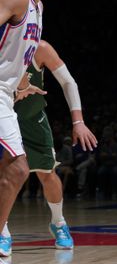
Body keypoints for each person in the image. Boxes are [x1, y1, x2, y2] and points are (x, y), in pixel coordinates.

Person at [0, 0, 63, 264]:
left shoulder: (38, 8)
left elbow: (15, 53)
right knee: (19, 167)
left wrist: (22, 82)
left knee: (10, 169)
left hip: (7, 94)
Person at [10, 40, 97, 252]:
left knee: (47, 173)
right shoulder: (5, 47)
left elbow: (68, 82)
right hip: (5, 118)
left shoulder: (40, 48)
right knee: (6, 175)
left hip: (33, 121)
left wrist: (78, 122)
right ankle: (2, 229)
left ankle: (59, 223)